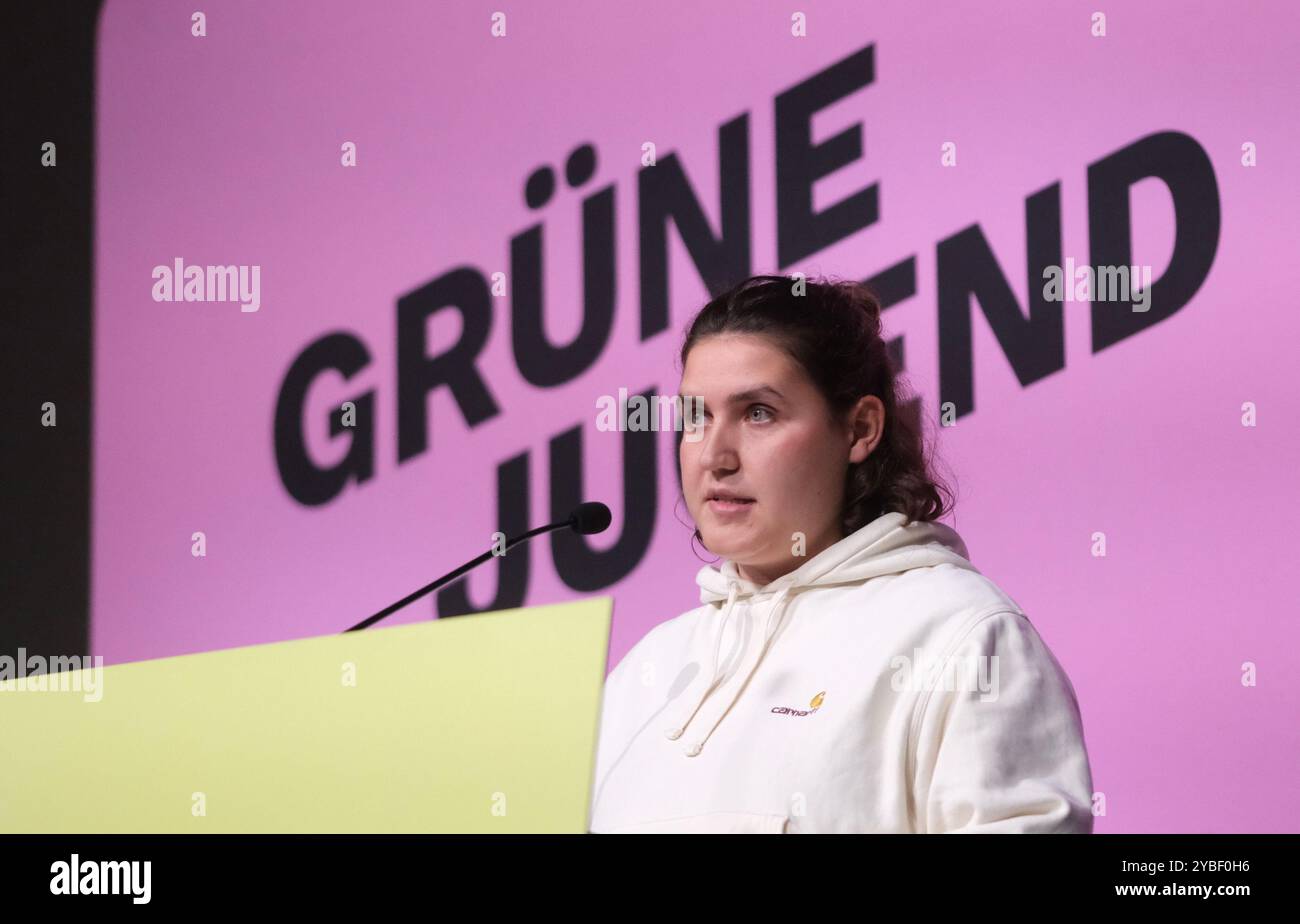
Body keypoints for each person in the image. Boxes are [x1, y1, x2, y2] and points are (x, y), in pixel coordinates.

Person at [588, 274, 1094, 833]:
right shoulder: (645, 671)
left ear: (860, 428)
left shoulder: (963, 636)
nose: (714, 456)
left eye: (757, 412)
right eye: (695, 417)